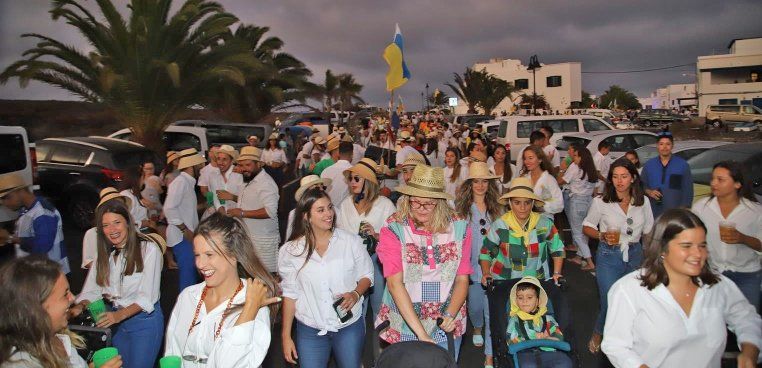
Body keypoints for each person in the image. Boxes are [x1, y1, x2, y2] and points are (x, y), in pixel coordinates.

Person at [601, 209, 761, 368]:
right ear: (662, 250)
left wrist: (749, 351)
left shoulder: (716, 285)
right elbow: (616, 345)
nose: (698, 254)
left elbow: (746, 318)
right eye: (687, 246)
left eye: (702, 245)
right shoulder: (630, 290)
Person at [375, 165, 472, 360]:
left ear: (441, 202)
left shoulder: (460, 226)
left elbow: (462, 279)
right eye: (415, 202)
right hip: (404, 320)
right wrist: (422, 334)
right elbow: (395, 283)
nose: (420, 209)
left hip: (446, 319)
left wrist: (450, 315)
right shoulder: (394, 227)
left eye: (428, 204)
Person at [165, 213, 280, 367]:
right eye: (197, 255)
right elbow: (173, 352)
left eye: (209, 255)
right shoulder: (189, 296)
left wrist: (249, 309)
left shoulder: (253, 302)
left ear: (234, 255)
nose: (200, 264)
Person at [279, 188, 373, 368]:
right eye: (320, 210)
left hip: (348, 327)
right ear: (306, 216)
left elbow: (367, 275)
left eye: (330, 207)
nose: (329, 213)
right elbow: (290, 294)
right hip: (310, 329)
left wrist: (355, 294)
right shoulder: (291, 251)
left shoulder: (350, 242)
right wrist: (285, 336)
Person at [71, 199, 164, 368]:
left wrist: (118, 316)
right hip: (115, 323)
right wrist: (79, 307)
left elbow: (147, 297)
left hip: (144, 322)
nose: (112, 230)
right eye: (106, 225)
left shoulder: (149, 250)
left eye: (116, 223)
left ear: (128, 223)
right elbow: (91, 291)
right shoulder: (103, 255)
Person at [582, 158, 654, 354]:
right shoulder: (601, 202)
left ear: (632, 178)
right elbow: (587, 226)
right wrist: (601, 235)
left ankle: (627, 337)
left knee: (632, 299)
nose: (619, 181)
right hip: (608, 255)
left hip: (635, 254)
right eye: (615, 176)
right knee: (610, 299)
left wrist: (650, 258)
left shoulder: (643, 202)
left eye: (624, 176)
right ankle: (599, 332)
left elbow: (648, 232)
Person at [0, 256, 122, 368]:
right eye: (65, 294)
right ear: (37, 307)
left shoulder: (59, 338)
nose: (72, 298)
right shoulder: (21, 363)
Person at [691, 161, 762, 312]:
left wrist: (742, 238)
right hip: (713, 274)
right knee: (715, 323)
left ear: (737, 184)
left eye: (720, 179)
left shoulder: (754, 211)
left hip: (747, 275)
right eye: (713, 178)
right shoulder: (701, 207)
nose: (713, 183)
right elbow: (692, 238)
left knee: (748, 323)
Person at [454, 162, 502, 367]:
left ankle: (490, 351)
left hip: (495, 266)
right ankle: (476, 328)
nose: (481, 185)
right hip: (471, 266)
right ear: (470, 184)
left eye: (484, 181)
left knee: (493, 307)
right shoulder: (462, 209)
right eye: (476, 181)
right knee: (475, 306)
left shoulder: (498, 207)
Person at [337, 158, 396, 320]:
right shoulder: (345, 205)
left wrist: (377, 236)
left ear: (368, 181)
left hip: (377, 261)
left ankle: (382, 345)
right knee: (355, 310)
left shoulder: (385, 205)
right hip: (350, 263)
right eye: (350, 178)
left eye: (357, 178)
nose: (352, 182)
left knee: (379, 309)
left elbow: (398, 239)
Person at [480, 176, 565, 283]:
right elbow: (485, 251)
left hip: (536, 281)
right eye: (517, 202)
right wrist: (486, 273)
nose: (523, 207)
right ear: (510, 203)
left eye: (527, 202)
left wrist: (557, 273)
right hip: (505, 282)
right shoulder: (500, 225)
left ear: (533, 203)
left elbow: (557, 248)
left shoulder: (544, 224)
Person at [0, 173, 69, 275]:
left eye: (6, 198)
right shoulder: (25, 209)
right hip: (37, 272)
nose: (4, 203)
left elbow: (42, 248)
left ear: (21, 191)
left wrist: (11, 238)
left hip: (49, 275)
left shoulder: (43, 213)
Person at [227, 147, 280, 273]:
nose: (244, 168)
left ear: (259, 164)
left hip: (263, 240)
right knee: (250, 277)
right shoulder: (247, 179)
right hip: (248, 237)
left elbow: (270, 211)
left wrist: (242, 213)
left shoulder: (265, 183)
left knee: (265, 278)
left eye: (248, 165)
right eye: (241, 165)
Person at [507, 276, 572, 368]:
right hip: (526, 354)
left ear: (537, 301)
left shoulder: (548, 319)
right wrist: (533, 339)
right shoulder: (515, 320)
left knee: (565, 363)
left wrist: (548, 338)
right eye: (520, 298)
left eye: (529, 297)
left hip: (549, 352)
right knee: (528, 366)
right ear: (516, 301)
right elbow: (511, 340)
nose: (524, 301)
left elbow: (559, 336)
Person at [164, 148, 206, 291]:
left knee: (190, 277)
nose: (202, 167)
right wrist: (184, 229)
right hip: (182, 237)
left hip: (184, 236)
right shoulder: (181, 182)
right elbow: (169, 208)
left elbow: (182, 208)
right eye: (199, 164)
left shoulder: (185, 182)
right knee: (187, 279)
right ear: (191, 165)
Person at [557, 146, 598, 270]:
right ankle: (579, 256)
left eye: (575, 156)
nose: (573, 158)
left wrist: (562, 170)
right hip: (589, 201)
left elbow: (560, 181)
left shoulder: (574, 168)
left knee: (577, 233)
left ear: (581, 157)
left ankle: (590, 262)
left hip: (577, 201)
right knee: (584, 231)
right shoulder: (591, 168)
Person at [641, 131, 693, 218]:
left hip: (675, 214)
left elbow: (688, 190)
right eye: (661, 144)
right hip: (652, 213)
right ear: (657, 145)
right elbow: (642, 185)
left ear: (672, 145)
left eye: (668, 144)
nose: (664, 147)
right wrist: (649, 192)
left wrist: (683, 210)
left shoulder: (682, 165)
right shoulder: (649, 165)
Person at [520, 146, 564, 220]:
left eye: (530, 158)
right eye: (525, 158)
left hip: (544, 221)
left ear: (540, 159)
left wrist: (540, 206)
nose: (527, 161)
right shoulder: (524, 179)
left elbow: (559, 205)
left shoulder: (549, 179)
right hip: (525, 221)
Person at [206, 145, 243, 214]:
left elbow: (249, 200)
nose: (220, 162)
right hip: (220, 215)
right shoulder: (212, 175)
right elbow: (214, 196)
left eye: (224, 159)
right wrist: (221, 210)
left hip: (238, 217)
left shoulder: (240, 175)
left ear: (232, 161)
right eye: (218, 159)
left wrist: (233, 197)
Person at [320, 141, 354, 209]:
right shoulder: (354, 172)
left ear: (339, 153)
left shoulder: (325, 171)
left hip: (328, 210)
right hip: (345, 212)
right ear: (352, 154)